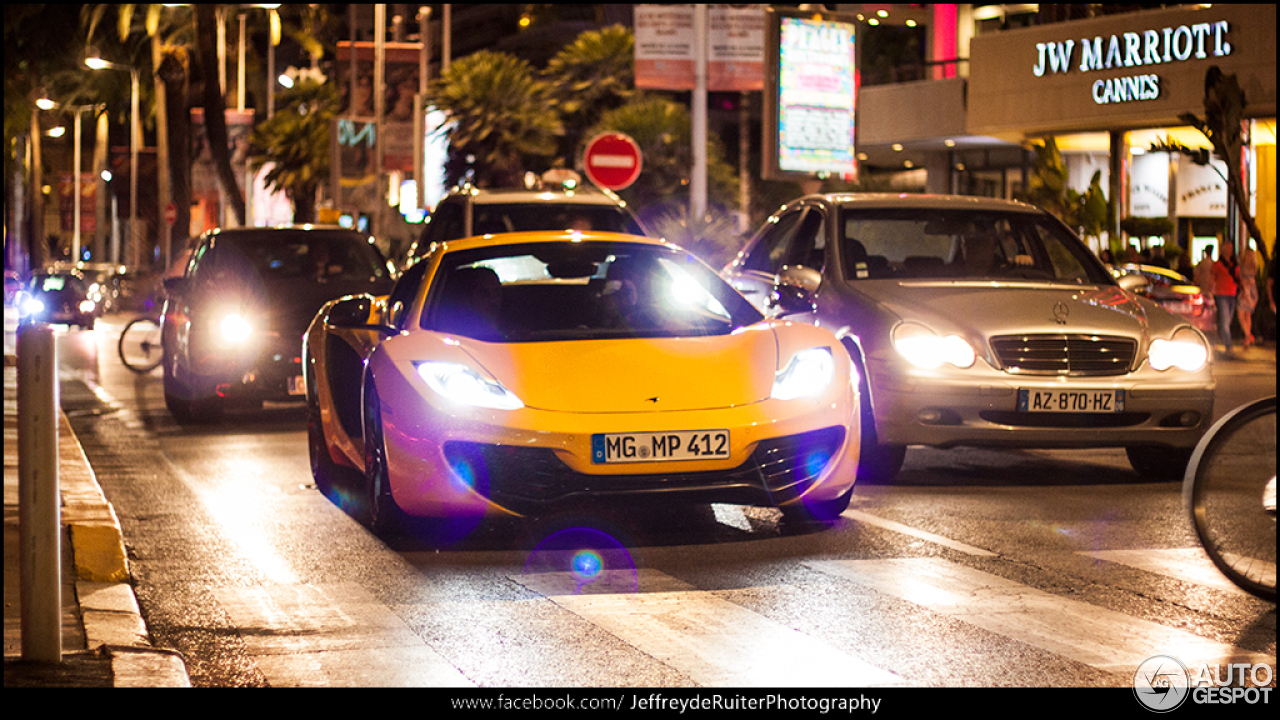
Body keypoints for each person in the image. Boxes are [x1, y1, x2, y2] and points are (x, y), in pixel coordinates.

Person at [1211, 239, 1239, 352]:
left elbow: (1238, 277)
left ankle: (1216, 340)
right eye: (1227, 248)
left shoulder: (1234, 264)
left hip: (1232, 294)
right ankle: (1228, 344)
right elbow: (1213, 278)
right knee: (1225, 320)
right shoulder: (1218, 264)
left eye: (1231, 249)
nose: (1229, 250)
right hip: (1221, 294)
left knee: (1226, 321)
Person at [1235, 241, 1260, 348]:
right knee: (1247, 314)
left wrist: (1245, 290)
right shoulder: (1253, 264)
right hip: (1251, 289)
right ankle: (1248, 337)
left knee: (1241, 314)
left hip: (1246, 289)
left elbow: (1244, 279)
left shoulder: (1244, 264)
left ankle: (1247, 336)